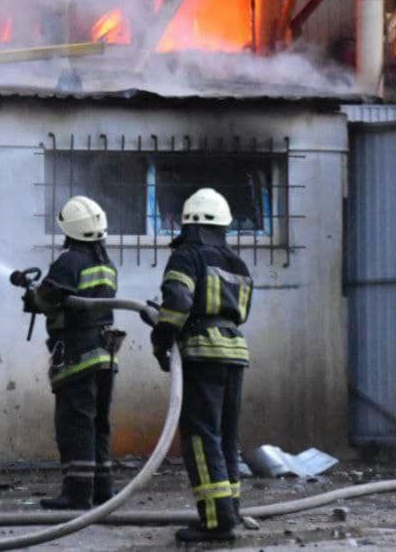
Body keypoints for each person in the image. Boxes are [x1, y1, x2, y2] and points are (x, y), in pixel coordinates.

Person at [150, 188, 254, 543]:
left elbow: (178, 301)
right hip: (234, 351)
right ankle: (230, 510)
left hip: (202, 352)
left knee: (200, 436)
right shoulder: (238, 263)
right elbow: (241, 311)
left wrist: (162, 337)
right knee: (225, 435)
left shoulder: (186, 255)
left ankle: (215, 521)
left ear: (189, 224)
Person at [23, 195, 123, 510]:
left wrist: (31, 296)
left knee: (74, 424)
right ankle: (102, 489)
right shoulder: (106, 264)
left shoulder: (69, 262)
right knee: (98, 423)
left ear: (69, 230)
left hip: (78, 354)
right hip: (105, 354)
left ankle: (77, 493)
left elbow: (48, 297)